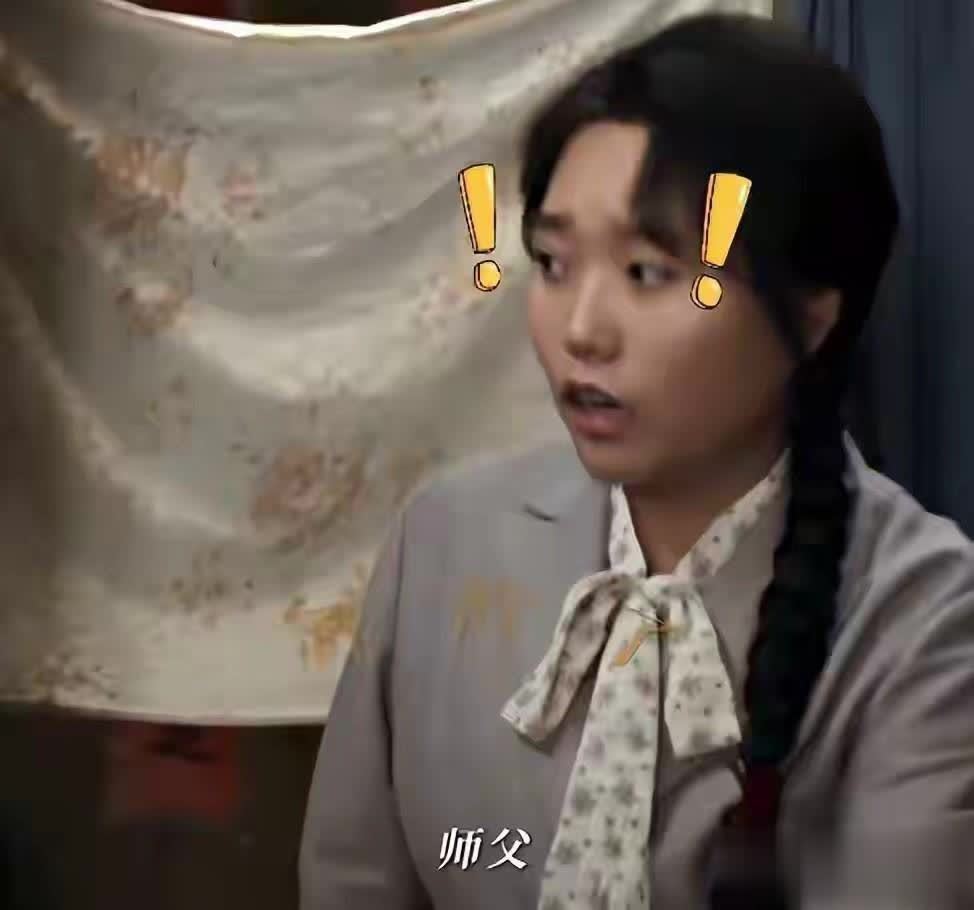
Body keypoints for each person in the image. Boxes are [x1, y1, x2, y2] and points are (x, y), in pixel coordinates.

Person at [299, 12, 974, 909]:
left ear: (811, 318)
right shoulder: (443, 543)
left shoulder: (925, 622)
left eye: (648, 273)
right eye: (552, 261)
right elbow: (357, 880)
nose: (582, 331)